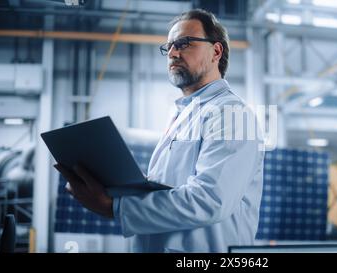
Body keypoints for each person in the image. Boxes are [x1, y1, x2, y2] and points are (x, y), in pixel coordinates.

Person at [54, 9, 264, 253]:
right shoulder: (183, 113)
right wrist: (120, 186)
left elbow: (210, 201)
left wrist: (115, 207)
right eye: (169, 47)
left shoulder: (231, 113)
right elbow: (173, 188)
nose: (173, 53)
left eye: (184, 44)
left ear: (216, 51)